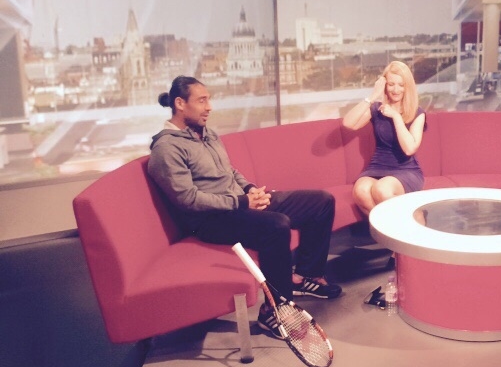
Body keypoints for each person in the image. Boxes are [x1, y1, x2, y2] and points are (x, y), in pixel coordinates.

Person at [147, 76, 342, 338]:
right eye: (202, 101)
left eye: (209, 100)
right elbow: (188, 200)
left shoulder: (207, 133)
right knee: (276, 226)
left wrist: (250, 189)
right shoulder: (167, 148)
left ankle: (306, 276)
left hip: (238, 203)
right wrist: (242, 202)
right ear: (180, 104)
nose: (209, 107)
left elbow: (229, 171)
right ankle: (274, 310)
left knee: (320, 202)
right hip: (209, 220)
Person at [342, 61, 426, 215]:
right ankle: (390, 227)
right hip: (377, 167)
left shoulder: (417, 113)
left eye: (401, 85)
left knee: (381, 189)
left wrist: (396, 116)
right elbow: (348, 123)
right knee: (361, 190)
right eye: (391, 84)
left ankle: (412, 221)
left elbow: (409, 149)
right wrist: (373, 96)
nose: (396, 90)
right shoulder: (377, 109)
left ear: (407, 87)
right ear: (385, 85)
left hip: (406, 170)